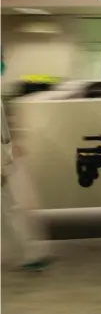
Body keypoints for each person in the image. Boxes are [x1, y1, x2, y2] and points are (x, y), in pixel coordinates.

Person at [1, 52, 52, 271]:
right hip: (7, 156)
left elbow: (5, 129)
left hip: (6, 157)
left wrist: (8, 155)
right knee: (16, 206)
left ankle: (33, 252)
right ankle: (33, 251)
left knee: (15, 207)